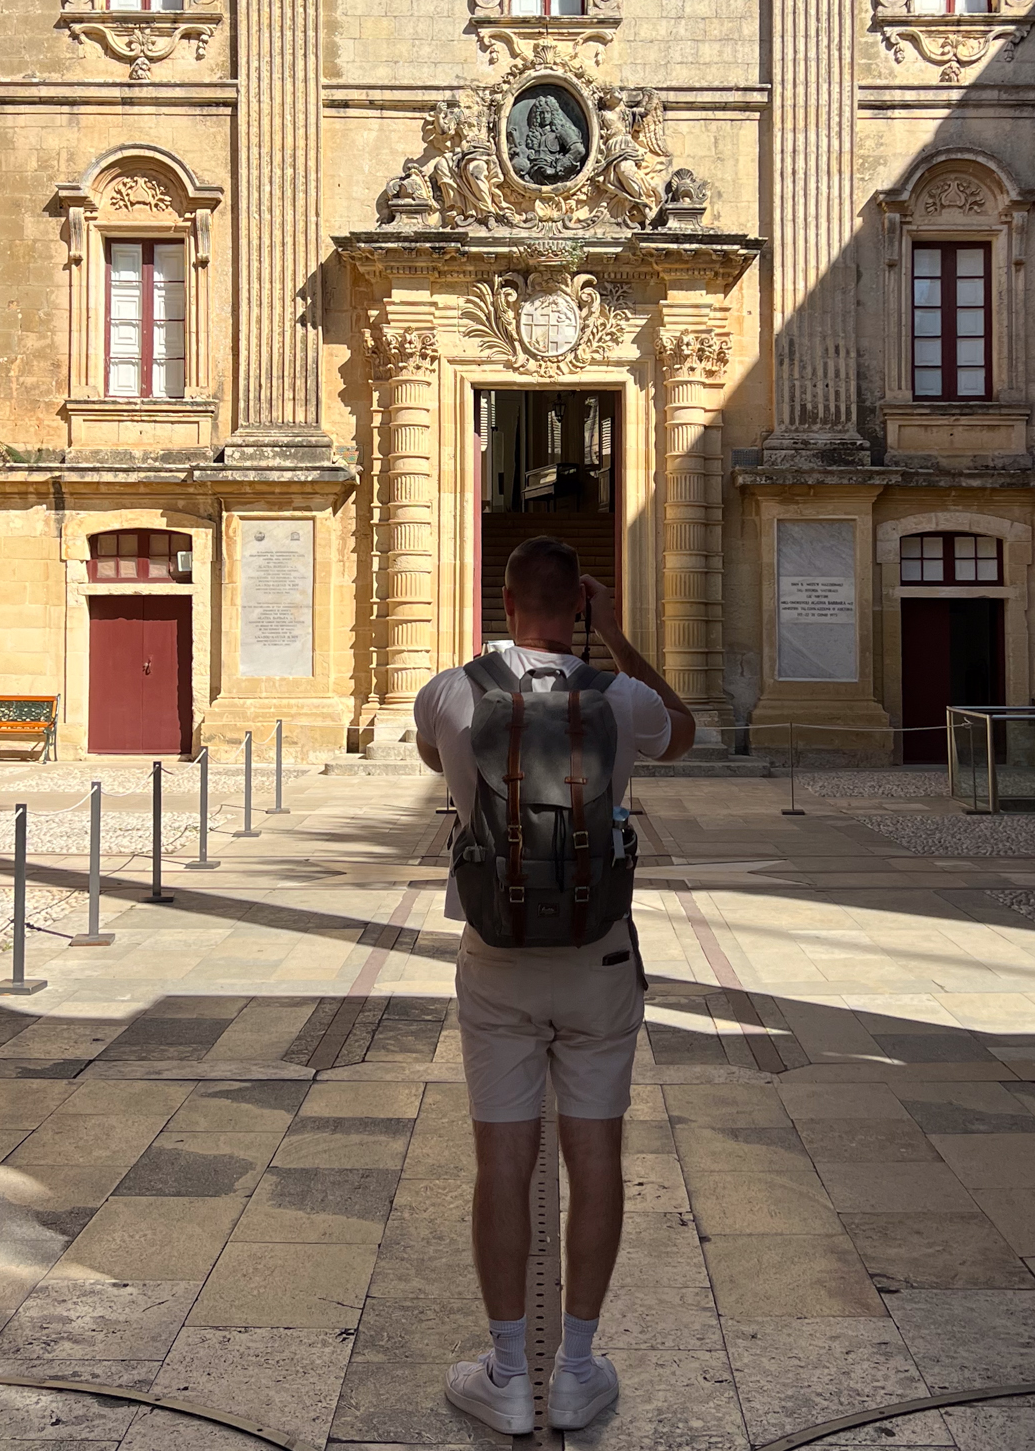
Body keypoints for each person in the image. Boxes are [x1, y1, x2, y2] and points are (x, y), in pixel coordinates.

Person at [414, 535, 695, 1435]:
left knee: (502, 1159)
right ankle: (574, 1369)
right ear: (578, 604)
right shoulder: (622, 698)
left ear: (503, 603)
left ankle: (506, 1373)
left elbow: (435, 762)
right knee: (595, 1153)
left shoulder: (451, 693)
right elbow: (684, 730)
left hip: (496, 957)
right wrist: (615, 636)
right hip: (597, 957)